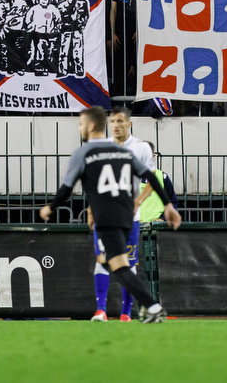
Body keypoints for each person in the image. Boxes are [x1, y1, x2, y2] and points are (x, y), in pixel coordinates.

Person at [38, 105, 181, 324]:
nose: (79, 127)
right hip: (127, 217)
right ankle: (134, 309)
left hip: (108, 218)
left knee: (119, 266)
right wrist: (169, 205)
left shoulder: (85, 152)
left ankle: (151, 307)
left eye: (81, 123)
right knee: (111, 261)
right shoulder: (121, 151)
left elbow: (67, 188)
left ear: (91, 125)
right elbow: (151, 177)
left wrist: (50, 208)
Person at [91, 107, 153, 321]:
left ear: (130, 123)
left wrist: (138, 200)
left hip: (129, 218)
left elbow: (152, 180)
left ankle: (126, 313)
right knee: (102, 260)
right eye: (113, 121)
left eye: (120, 121)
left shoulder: (141, 148)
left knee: (128, 263)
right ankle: (101, 310)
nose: (116, 125)